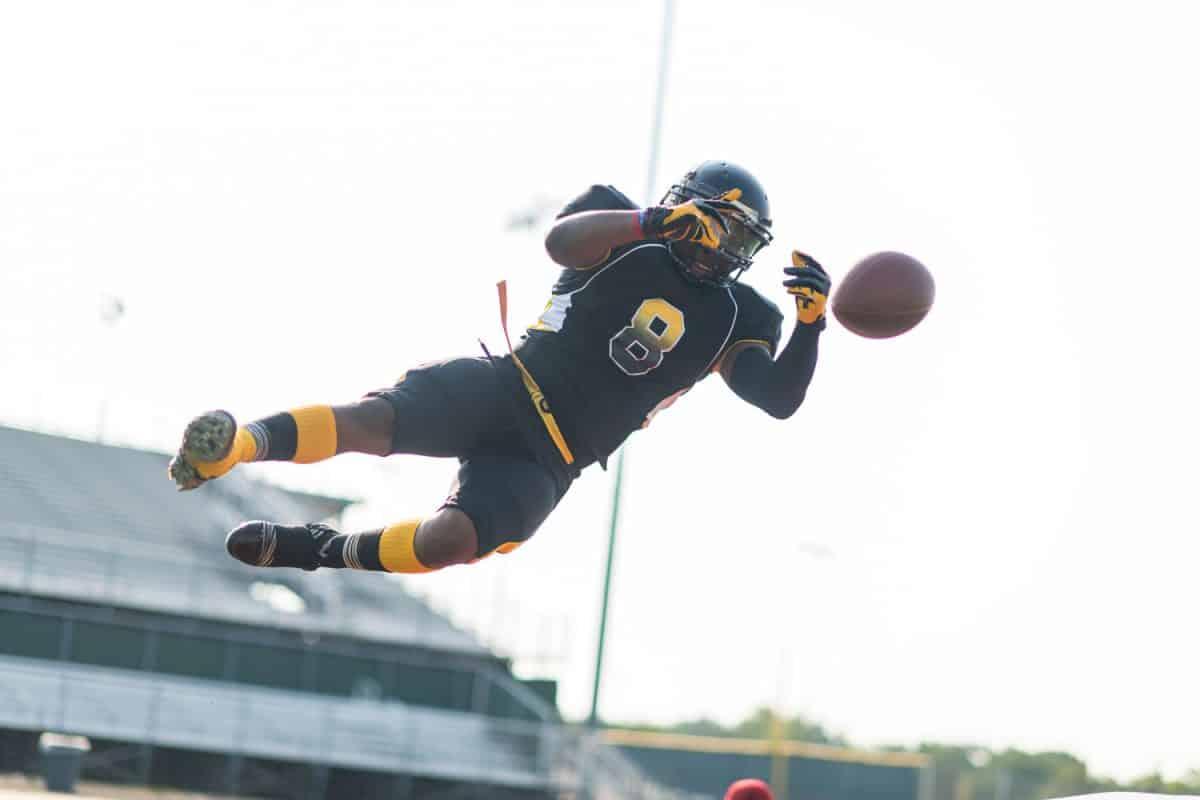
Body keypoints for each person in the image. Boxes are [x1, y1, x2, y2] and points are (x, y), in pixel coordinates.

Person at [167, 160, 831, 575]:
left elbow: (774, 396)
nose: (724, 246)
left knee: (449, 542)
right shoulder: (622, 224)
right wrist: (652, 220)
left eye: (742, 238)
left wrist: (810, 325)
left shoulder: (742, 315)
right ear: (684, 204)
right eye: (719, 225)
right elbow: (560, 241)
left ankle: (319, 548)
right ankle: (233, 447)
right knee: (376, 421)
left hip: (554, 458)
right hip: (511, 384)